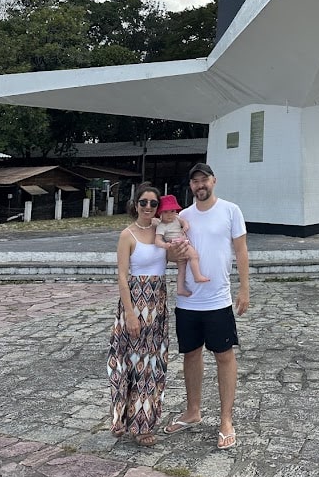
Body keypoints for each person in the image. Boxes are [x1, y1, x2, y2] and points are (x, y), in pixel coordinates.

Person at [163, 163, 250, 451]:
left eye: (204, 180)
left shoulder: (230, 211)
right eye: (195, 182)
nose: (200, 185)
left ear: (214, 180)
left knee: (224, 355)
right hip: (188, 300)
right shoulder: (182, 217)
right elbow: (171, 253)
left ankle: (226, 419)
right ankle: (193, 411)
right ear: (190, 186)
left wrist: (245, 288)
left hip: (218, 299)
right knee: (190, 354)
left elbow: (240, 250)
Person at [107, 183, 171, 446]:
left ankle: (144, 424)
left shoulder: (163, 229)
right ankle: (121, 418)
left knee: (152, 365)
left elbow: (182, 239)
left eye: (153, 203)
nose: (148, 207)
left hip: (158, 303)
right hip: (134, 302)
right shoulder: (127, 235)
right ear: (135, 204)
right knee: (128, 363)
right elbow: (122, 276)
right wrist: (131, 314)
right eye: (143, 202)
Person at [152, 193, 210, 297]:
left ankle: (180, 289)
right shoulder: (161, 226)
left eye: (173, 211)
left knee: (182, 269)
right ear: (160, 213)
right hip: (176, 244)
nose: (170, 214)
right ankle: (197, 276)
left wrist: (185, 228)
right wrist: (165, 245)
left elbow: (186, 223)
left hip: (181, 241)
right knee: (194, 256)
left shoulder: (177, 219)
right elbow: (157, 240)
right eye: (166, 212)